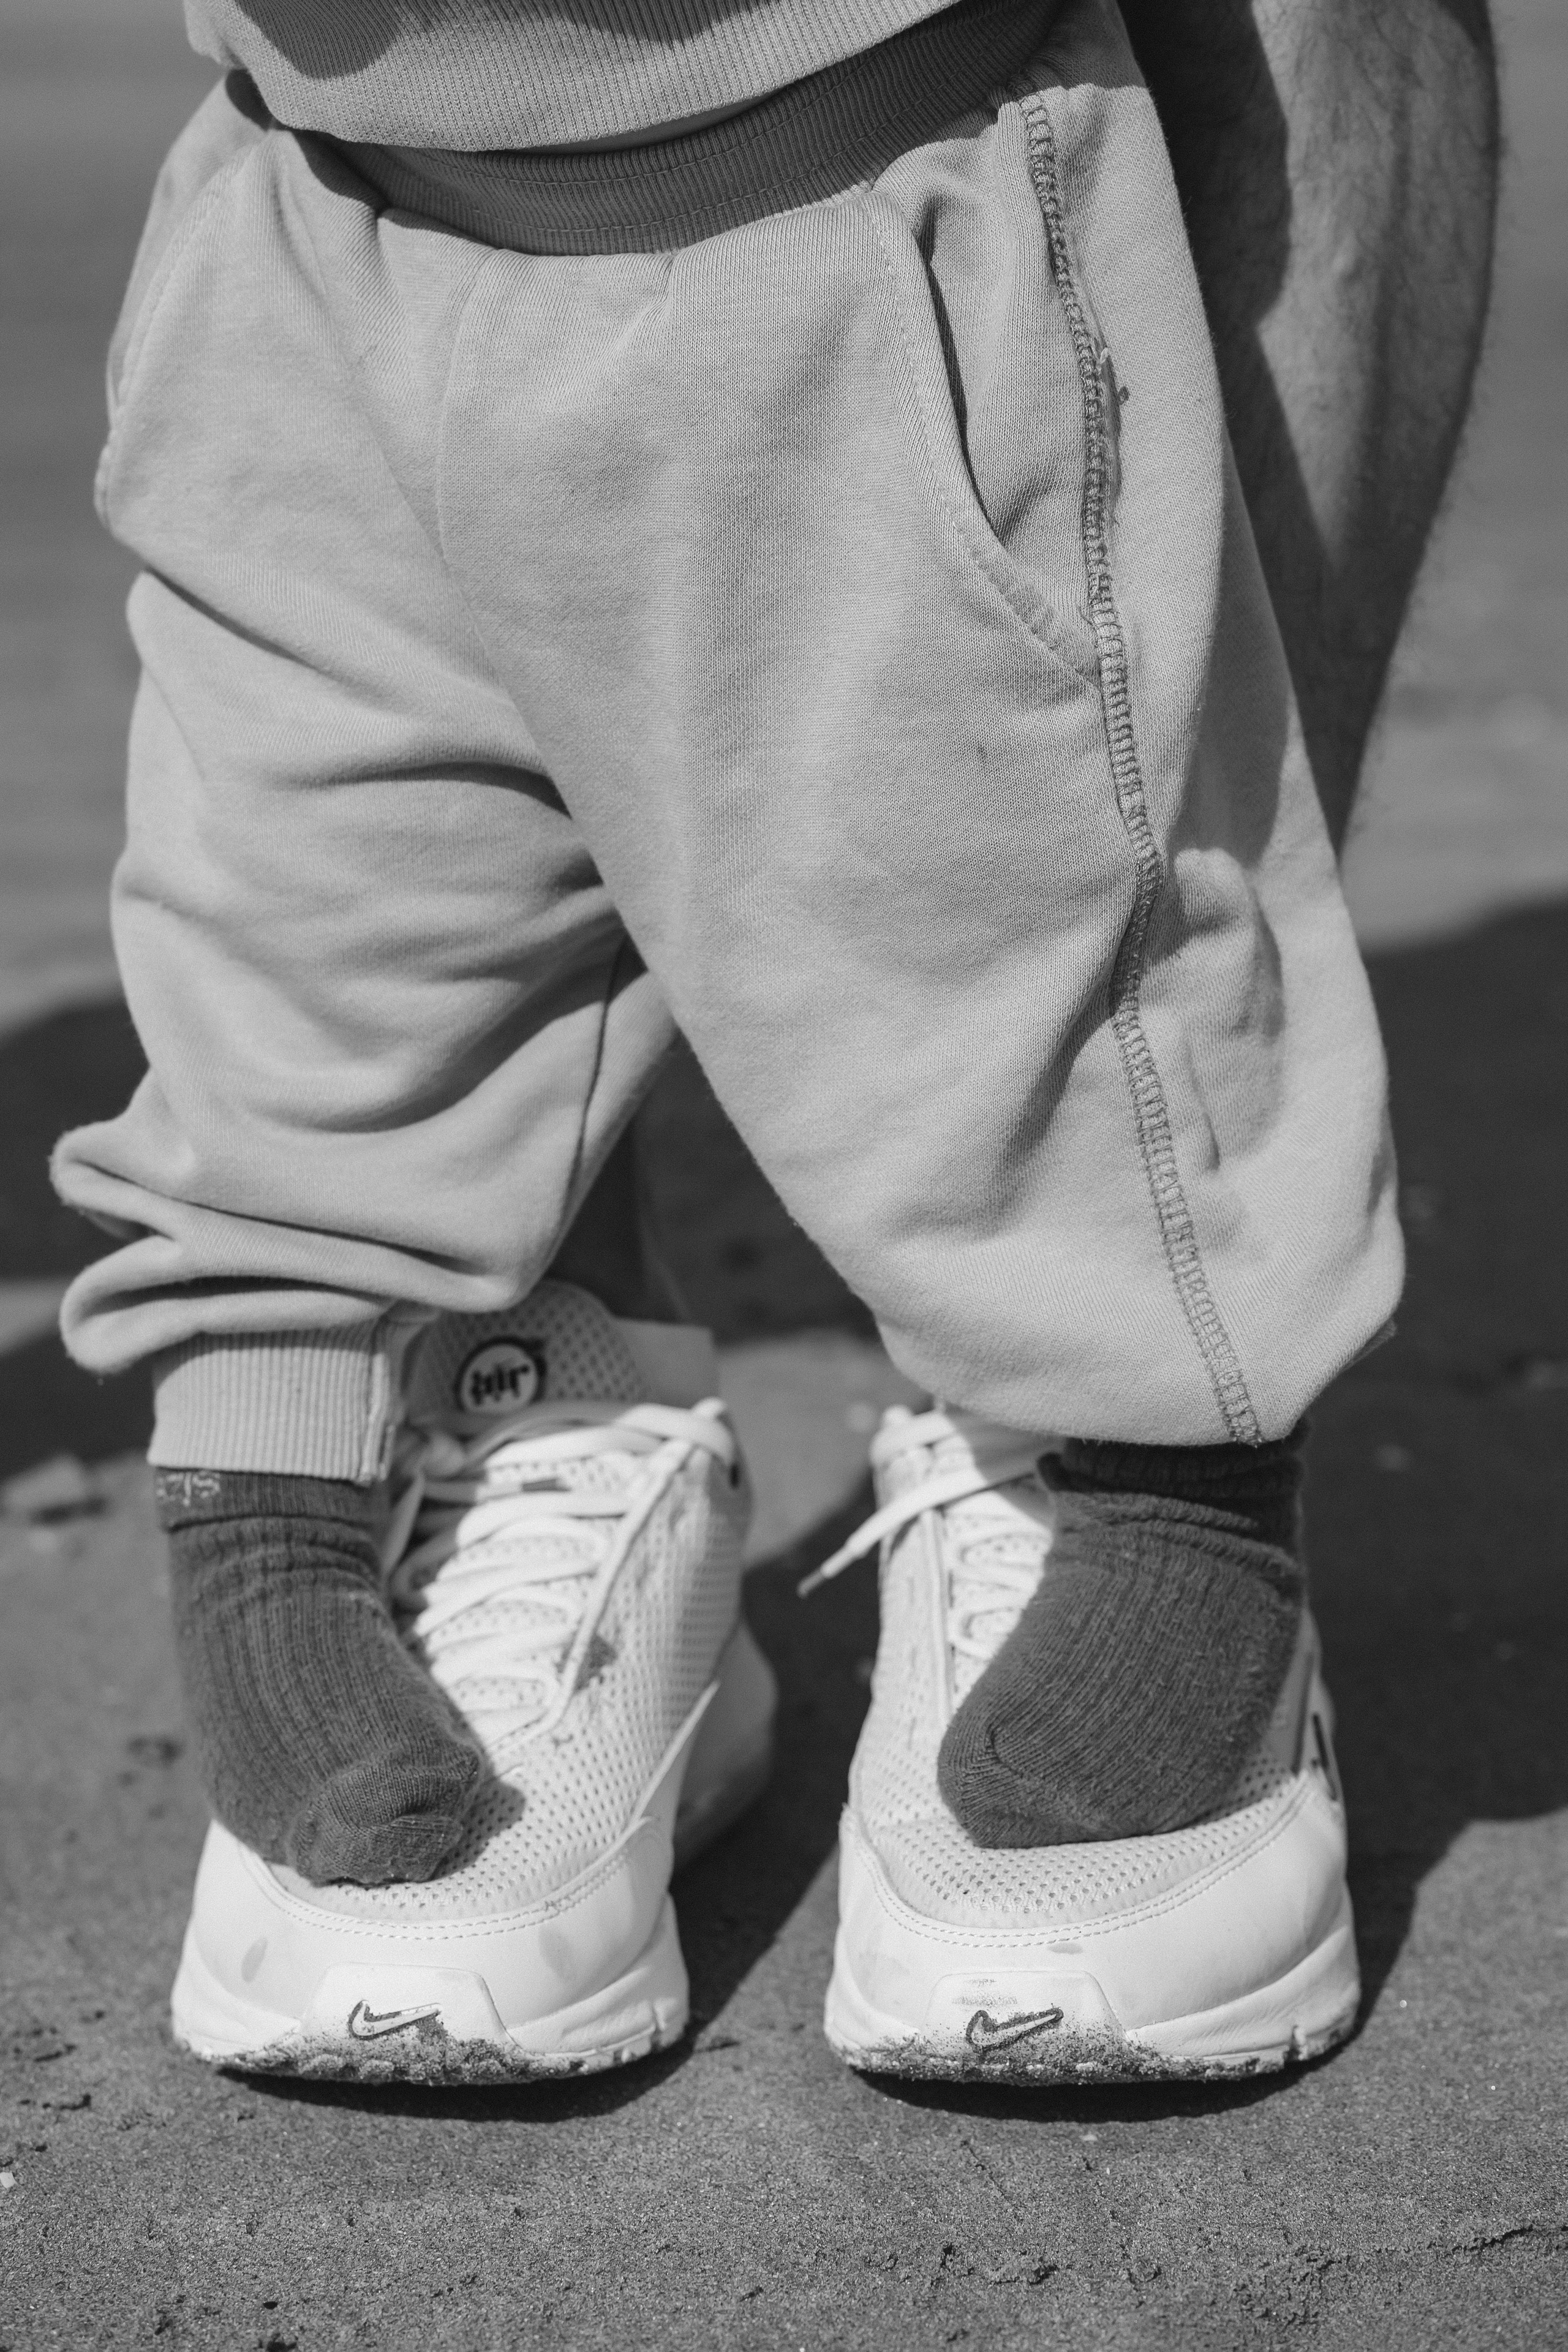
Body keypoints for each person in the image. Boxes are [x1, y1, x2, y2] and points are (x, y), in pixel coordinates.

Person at [52, 0, 1497, 2084]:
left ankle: (1127, 1450)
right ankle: (497, 1403)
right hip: (326, 192)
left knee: (1006, 868)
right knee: (316, 906)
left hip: (867, 176)